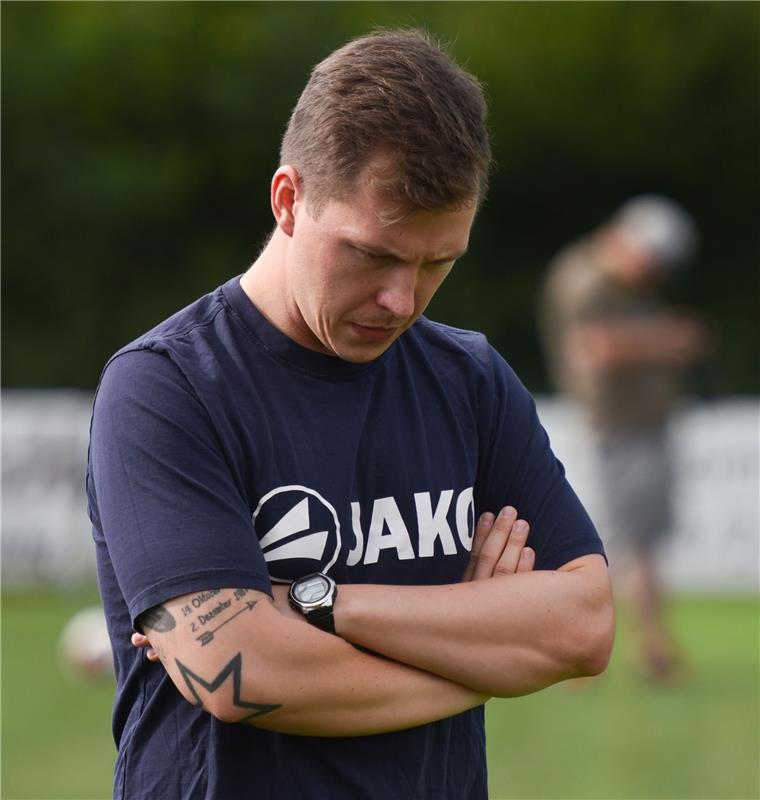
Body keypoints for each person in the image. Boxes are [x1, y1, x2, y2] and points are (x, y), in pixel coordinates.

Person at [87, 29, 614, 800]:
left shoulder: (468, 381)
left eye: (439, 263)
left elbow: (585, 629)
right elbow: (244, 673)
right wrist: (481, 651)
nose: (402, 300)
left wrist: (322, 604)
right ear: (288, 200)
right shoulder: (165, 389)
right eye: (373, 255)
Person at [539, 195, 708, 682]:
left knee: (637, 542)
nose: (655, 273)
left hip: (639, 426)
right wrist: (668, 339)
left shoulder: (619, 282)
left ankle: (643, 645)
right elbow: (591, 349)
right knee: (622, 542)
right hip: (617, 428)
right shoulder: (586, 279)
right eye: (653, 260)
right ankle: (604, 647)